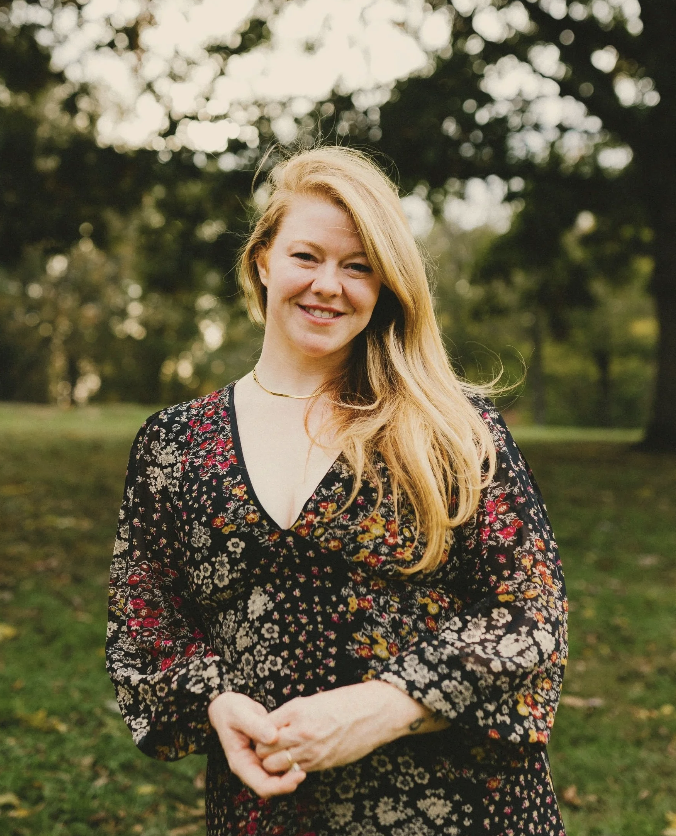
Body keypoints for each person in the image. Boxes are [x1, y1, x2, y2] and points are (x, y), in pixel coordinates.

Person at [106, 145, 568, 835]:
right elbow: (146, 629)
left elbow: (530, 616)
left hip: (462, 808)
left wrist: (381, 708)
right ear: (262, 260)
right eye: (307, 256)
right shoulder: (174, 445)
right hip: (269, 808)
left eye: (358, 266)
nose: (329, 285)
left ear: (386, 285)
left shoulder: (449, 430)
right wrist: (217, 705)